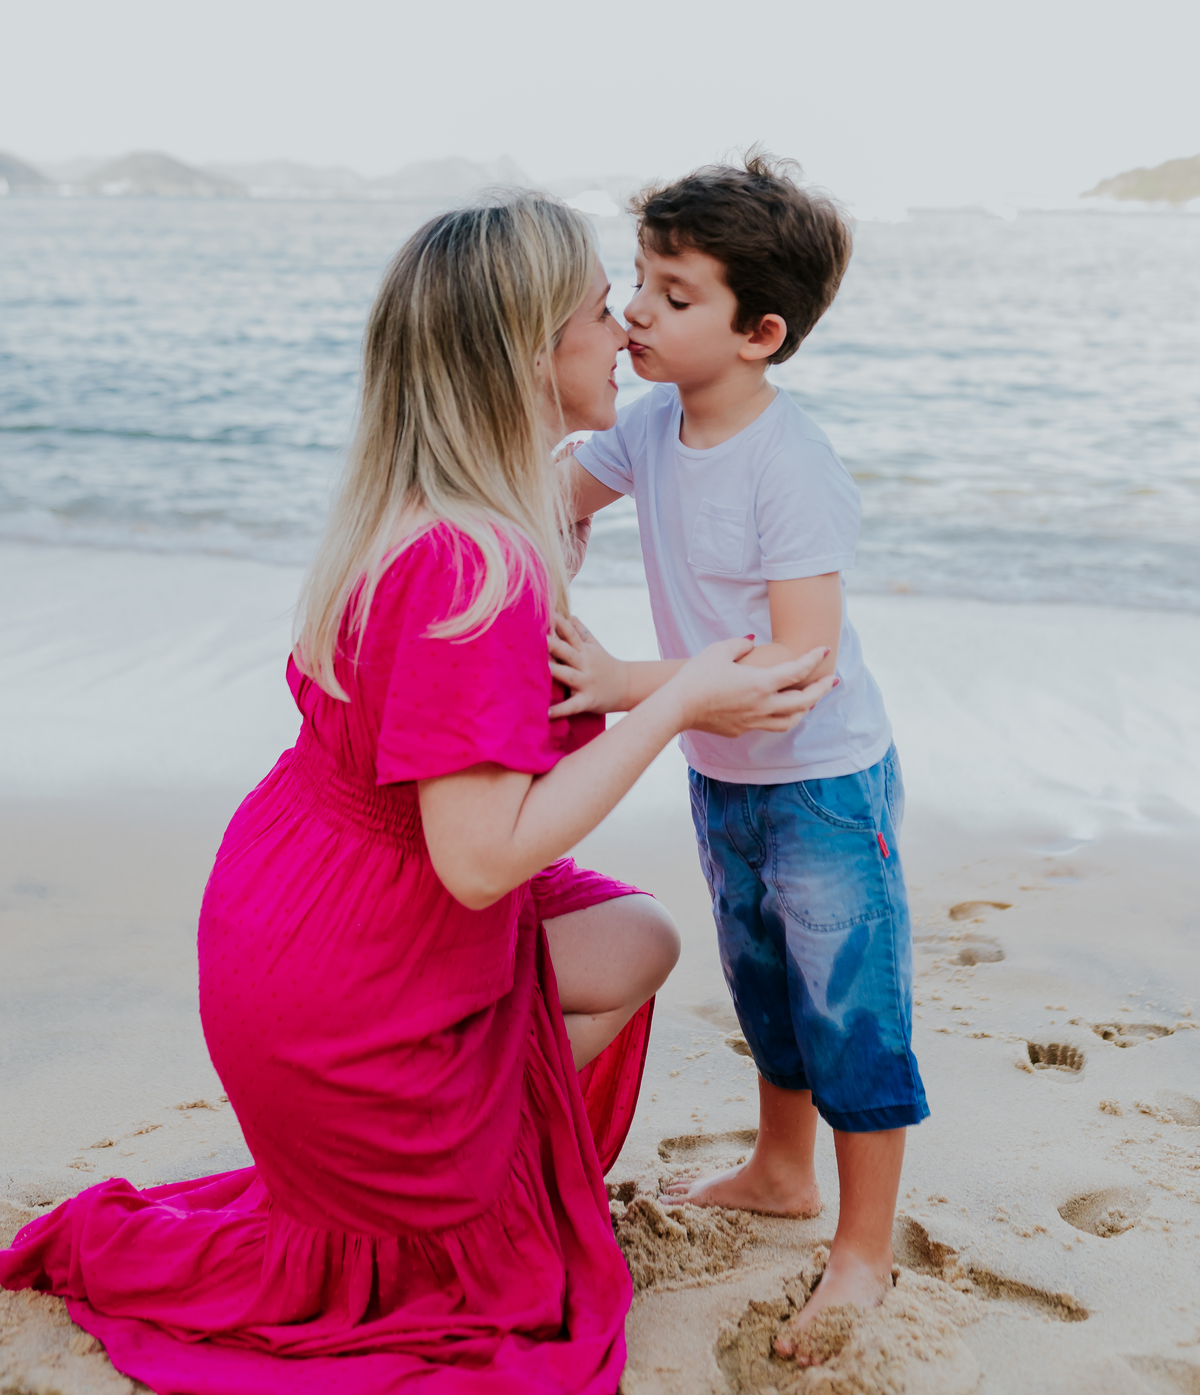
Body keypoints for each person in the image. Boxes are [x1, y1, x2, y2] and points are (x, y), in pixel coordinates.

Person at [1, 193, 834, 1395]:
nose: (625, 338)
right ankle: (443, 1157)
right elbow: (480, 861)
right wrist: (676, 702)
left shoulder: (426, 509)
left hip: (294, 901)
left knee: (637, 939)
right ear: (526, 357)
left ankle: (478, 1120)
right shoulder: (475, 566)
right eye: (601, 313)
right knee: (490, 1294)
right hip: (351, 964)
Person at [553, 155, 928, 1365]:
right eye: (639, 285)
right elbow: (561, 491)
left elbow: (796, 666)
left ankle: (863, 1248)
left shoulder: (788, 463)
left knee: (848, 1006)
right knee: (761, 977)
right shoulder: (653, 422)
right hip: (721, 771)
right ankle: (780, 1170)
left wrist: (617, 684)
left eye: (672, 294)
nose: (635, 316)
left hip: (822, 779)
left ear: (760, 333)